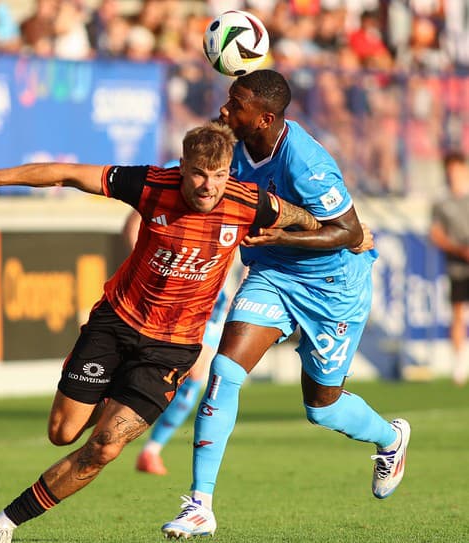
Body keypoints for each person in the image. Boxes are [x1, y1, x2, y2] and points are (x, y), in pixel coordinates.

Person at [0, 121, 323, 543]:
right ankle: (109, 392)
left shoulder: (249, 202)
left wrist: (349, 236)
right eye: (198, 173)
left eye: (219, 175)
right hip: (116, 324)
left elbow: (307, 218)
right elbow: (65, 174)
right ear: (182, 166)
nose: (208, 186)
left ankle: (5, 523)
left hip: (172, 350)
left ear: (229, 171)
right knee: (62, 433)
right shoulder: (150, 184)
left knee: (104, 446)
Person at [161, 69, 409, 540]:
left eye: (236, 104)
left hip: (333, 287)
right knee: (225, 372)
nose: (224, 109)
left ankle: (391, 439)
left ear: (264, 118)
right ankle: (200, 504)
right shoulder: (233, 149)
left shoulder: (306, 161)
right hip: (272, 276)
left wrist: (284, 234)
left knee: (321, 408)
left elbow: (350, 233)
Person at [122, 196, 233, 475]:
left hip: (213, 295)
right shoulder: (178, 175)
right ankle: (131, 432)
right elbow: (132, 223)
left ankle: (151, 450)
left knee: (196, 376)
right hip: (177, 289)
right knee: (187, 372)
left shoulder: (236, 179)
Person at [429, 150, 469, 386]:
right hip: (457, 264)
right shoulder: (442, 202)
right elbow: (435, 234)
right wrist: (458, 249)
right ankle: (459, 365)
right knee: (457, 313)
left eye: (456, 170)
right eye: (449, 171)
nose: (452, 175)